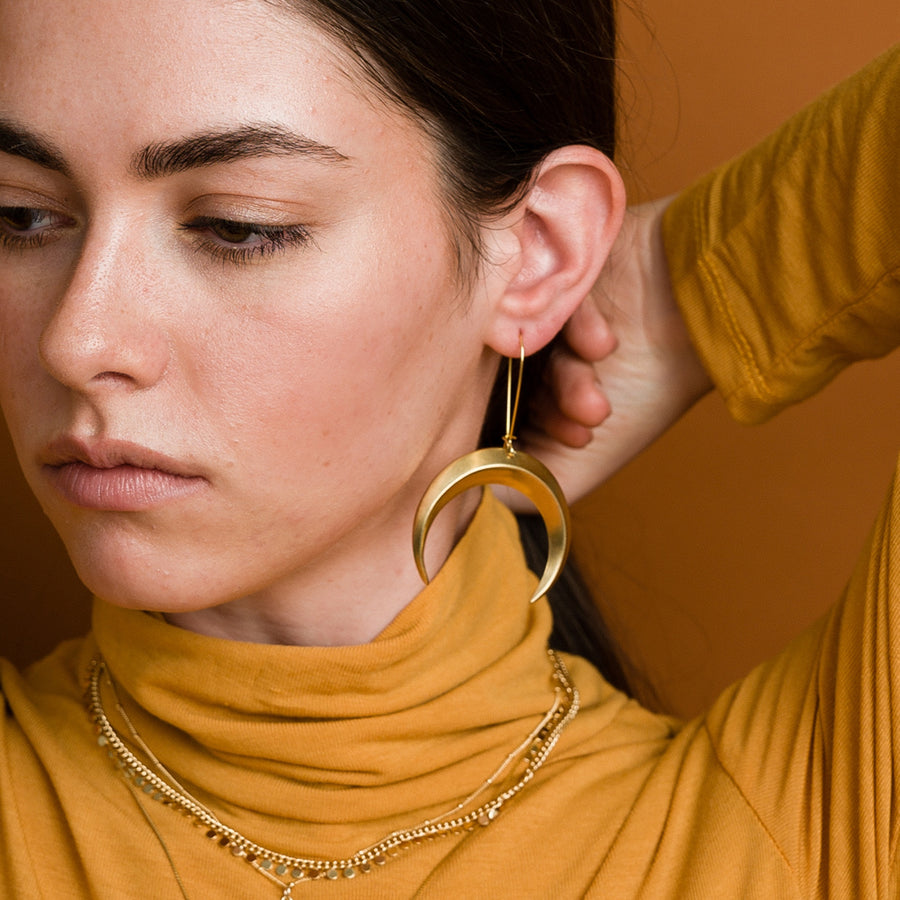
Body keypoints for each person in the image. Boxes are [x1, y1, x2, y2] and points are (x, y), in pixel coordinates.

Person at [0, 1, 898, 897]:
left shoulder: (798, 825)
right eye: (21, 216)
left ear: (539, 251)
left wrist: (683, 295)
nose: (76, 342)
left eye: (239, 224)